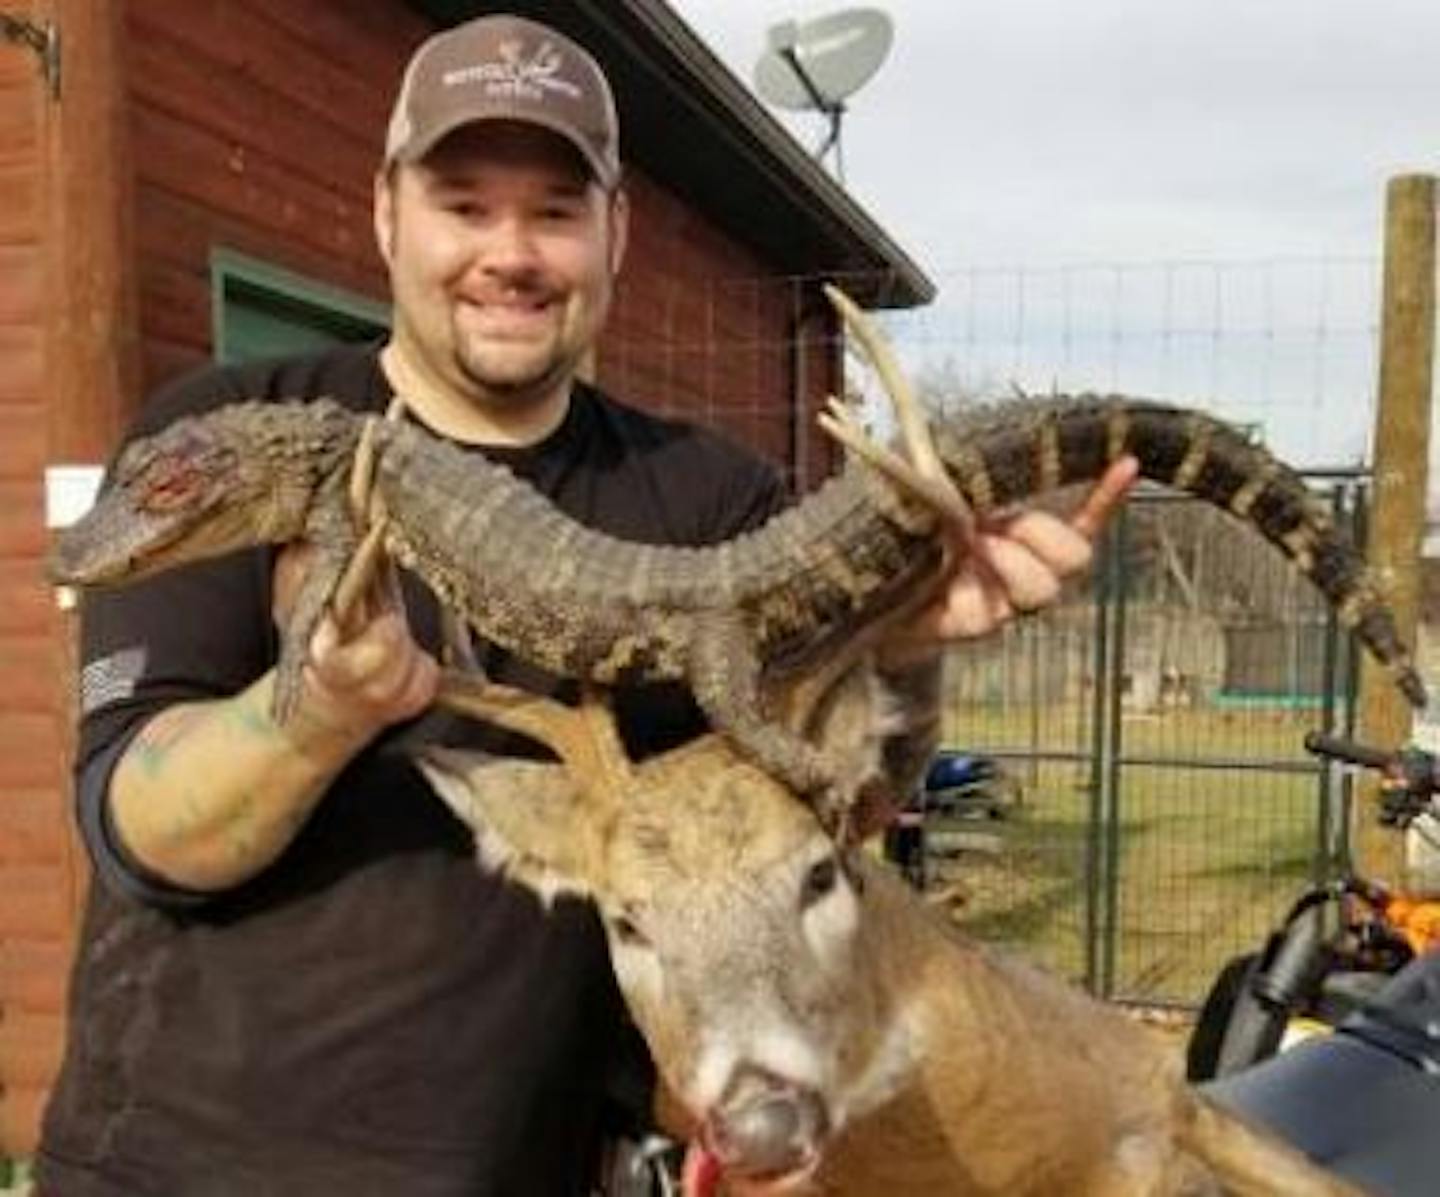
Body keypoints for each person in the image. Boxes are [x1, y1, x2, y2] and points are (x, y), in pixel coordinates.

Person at [35, 13, 1135, 1197]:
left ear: (615, 233)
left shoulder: (717, 497)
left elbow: (831, 814)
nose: (509, 250)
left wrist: (905, 643)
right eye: (465, 203)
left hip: (534, 1164)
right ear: (386, 213)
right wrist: (316, 712)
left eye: (554, 212)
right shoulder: (219, 435)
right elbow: (141, 835)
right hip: (179, 1172)